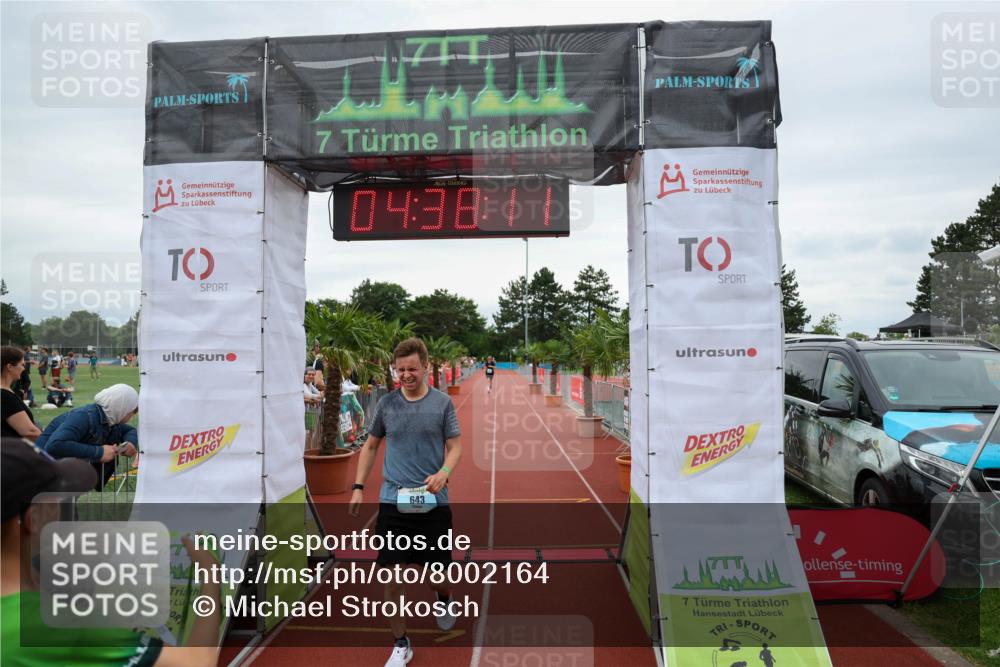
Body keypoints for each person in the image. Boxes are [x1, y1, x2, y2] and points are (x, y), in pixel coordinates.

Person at [0, 439, 222, 667]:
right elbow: (198, 662)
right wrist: (210, 573)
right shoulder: (50, 623)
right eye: (57, 500)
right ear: (33, 519)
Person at [348, 337, 462, 667]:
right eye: (400, 369)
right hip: (393, 501)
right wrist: (358, 487)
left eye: (412, 368)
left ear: (426, 367)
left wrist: (444, 471)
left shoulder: (442, 404)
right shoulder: (386, 405)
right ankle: (401, 643)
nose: (406, 375)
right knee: (391, 577)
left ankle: (444, 598)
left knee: (436, 576)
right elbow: (369, 447)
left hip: (433, 501)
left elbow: (455, 447)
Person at [36, 384, 139, 490]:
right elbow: (55, 445)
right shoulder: (84, 416)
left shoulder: (109, 418)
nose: (131, 416)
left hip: (60, 475)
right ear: (121, 408)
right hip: (41, 475)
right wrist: (99, 452)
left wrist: (130, 442)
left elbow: (130, 430)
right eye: (131, 413)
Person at [1, 347, 41, 441]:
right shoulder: (4, 396)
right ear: (10, 367)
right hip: (11, 452)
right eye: (22, 365)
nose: (23, 368)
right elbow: (29, 432)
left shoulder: (8, 392)